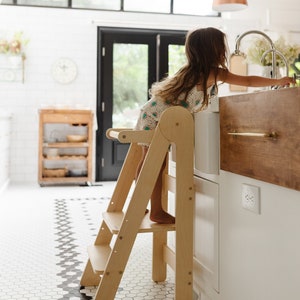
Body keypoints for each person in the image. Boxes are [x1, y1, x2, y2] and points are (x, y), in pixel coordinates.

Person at [135, 27, 296, 224]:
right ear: (213, 51)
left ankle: (141, 204)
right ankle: (156, 210)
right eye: (221, 47)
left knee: (149, 162)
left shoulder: (189, 71)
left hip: (151, 114)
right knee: (154, 164)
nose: (224, 52)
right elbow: (248, 80)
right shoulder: (213, 73)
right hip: (158, 118)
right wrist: (278, 80)